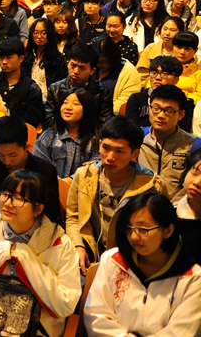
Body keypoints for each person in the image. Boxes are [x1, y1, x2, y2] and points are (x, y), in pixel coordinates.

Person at [0, 170, 81, 337]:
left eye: (19, 198)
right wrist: (1, 252)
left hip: (34, 329)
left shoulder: (58, 243)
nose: (8, 203)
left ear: (38, 209)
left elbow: (65, 303)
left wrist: (25, 257)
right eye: (5, 194)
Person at [84, 193, 201, 337]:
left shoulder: (193, 279)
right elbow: (95, 315)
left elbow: (182, 332)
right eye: (129, 228)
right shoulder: (112, 260)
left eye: (143, 230)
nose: (133, 237)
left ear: (168, 231)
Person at [66, 116, 165, 275]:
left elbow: (157, 232)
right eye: (106, 148)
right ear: (99, 145)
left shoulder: (151, 185)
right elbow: (73, 217)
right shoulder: (84, 175)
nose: (110, 157)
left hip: (130, 259)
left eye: (119, 151)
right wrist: (78, 245)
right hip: (91, 254)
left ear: (134, 154)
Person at [0, 116, 60, 224]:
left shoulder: (45, 172)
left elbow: (51, 215)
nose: (7, 161)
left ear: (26, 147)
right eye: (0, 154)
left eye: (13, 155)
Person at [139, 85, 201, 203]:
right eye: (156, 108)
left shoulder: (195, 145)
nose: (161, 115)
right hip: (140, 205)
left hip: (177, 208)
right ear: (149, 109)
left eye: (169, 111)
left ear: (181, 115)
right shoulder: (137, 137)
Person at [34, 88, 101, 178]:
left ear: (87, 108)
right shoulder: (48, 136)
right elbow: (38, 166)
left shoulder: (96, 139)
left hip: (83, 186)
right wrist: (57, 182)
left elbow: (97, 167)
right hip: (52, 185)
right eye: (65, 103)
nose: (68, 107)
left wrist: (71, 180)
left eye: (76, 104)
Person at [45, 43, 114, 128]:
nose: (76, 71)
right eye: (73, 65)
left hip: (91, 134)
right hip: (60, 134)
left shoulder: (103, 92)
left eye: (82, 68)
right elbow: (49, 121)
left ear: (92, 70)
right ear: (67, 64)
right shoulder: (55, 89)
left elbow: (105, 124)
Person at [126, 56, 194, 132]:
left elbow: (182, 130)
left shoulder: (185, 103)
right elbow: (131, 129)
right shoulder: (136, 99)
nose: (158, 77)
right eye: (154, 73)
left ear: (176, 80)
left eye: (165, 74)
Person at [0, 37, 45, 127]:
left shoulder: (31, 89)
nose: (4, 62)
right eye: (1, 57)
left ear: (21, 58)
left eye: (9, 57)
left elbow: (32, 120)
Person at [93, 35, 141, 115]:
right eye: (96, 62)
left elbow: (123, 104)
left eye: (103, 62)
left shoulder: (129, 72)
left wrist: (94, 110)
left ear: (113, 57)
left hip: (112, 117)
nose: (99, 65)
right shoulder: (92, 67)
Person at [136, 16, 183, 86]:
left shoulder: (184, 52)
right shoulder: (150, 48)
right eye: (165, 29)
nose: (167, 33)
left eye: (173, 30)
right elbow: (141, 76)